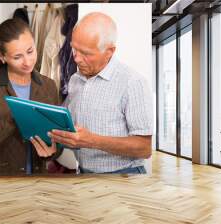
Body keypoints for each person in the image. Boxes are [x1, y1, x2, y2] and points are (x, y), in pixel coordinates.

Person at [30, 12, 153, 174]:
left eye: (86, 53)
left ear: (109, 51)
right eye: (74, 49)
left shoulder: (133, 83)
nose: (77, 59)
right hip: (83, 174)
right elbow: (68, 127)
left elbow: (144, 148)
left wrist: (92, 141)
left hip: (124, 177)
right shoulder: (75, 79)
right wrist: (52, 141)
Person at [0, 18, 59, 175]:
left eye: (30, 51)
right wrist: (15, 116)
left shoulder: (49, 86)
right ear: (1, 56)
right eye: (17, 57)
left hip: (37, 182)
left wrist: (53, 150)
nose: (27, 61)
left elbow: (56, 140)